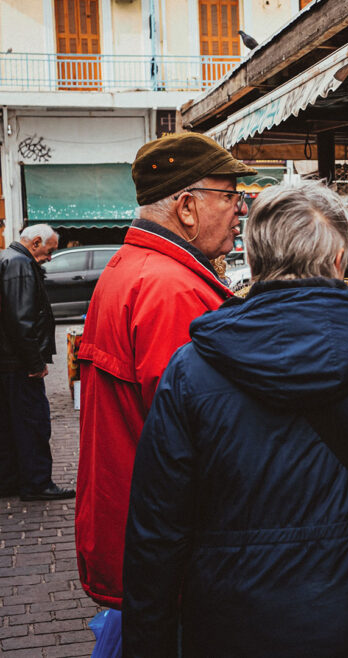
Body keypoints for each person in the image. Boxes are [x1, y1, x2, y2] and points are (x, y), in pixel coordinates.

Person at [122, 181, 348, 657]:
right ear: (339, 261)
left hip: (235, 617)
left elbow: (156, 528)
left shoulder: (190, 368)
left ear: (253, 262)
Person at [75, 132, 256, 608]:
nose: (240, 211)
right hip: (172, 549)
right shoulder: (171, 290)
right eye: (231, 196)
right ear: (188, 207)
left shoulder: (134, 267)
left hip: (139, 533)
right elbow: (206, 435)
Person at [0, 224, 74, 501]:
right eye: (49, 250)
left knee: (9, 425)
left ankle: (9, 481)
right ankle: (37, 483)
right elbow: (21, 321)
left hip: (7, 362)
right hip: (19, 364)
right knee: (32, 423)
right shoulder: (20, 264)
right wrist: (35, 363)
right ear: (36, 242)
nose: (50, 257)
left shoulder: (8, 258)